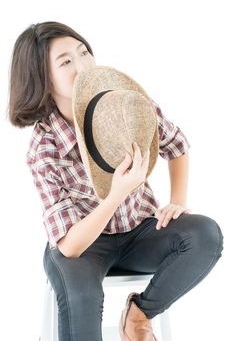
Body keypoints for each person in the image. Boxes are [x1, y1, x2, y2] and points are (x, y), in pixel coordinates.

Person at [8, 21, 224, 341]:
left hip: (139, 231)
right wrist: (115, 195)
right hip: (83, 245)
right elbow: (70, 246)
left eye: (84, 52)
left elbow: (177, 146)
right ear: (42, 78)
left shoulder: (125, 104)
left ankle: (138, 316)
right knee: (82, 300)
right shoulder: (45, 148)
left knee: (205, 234)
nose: (81, 65)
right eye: (66, 61)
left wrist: (177, 200)